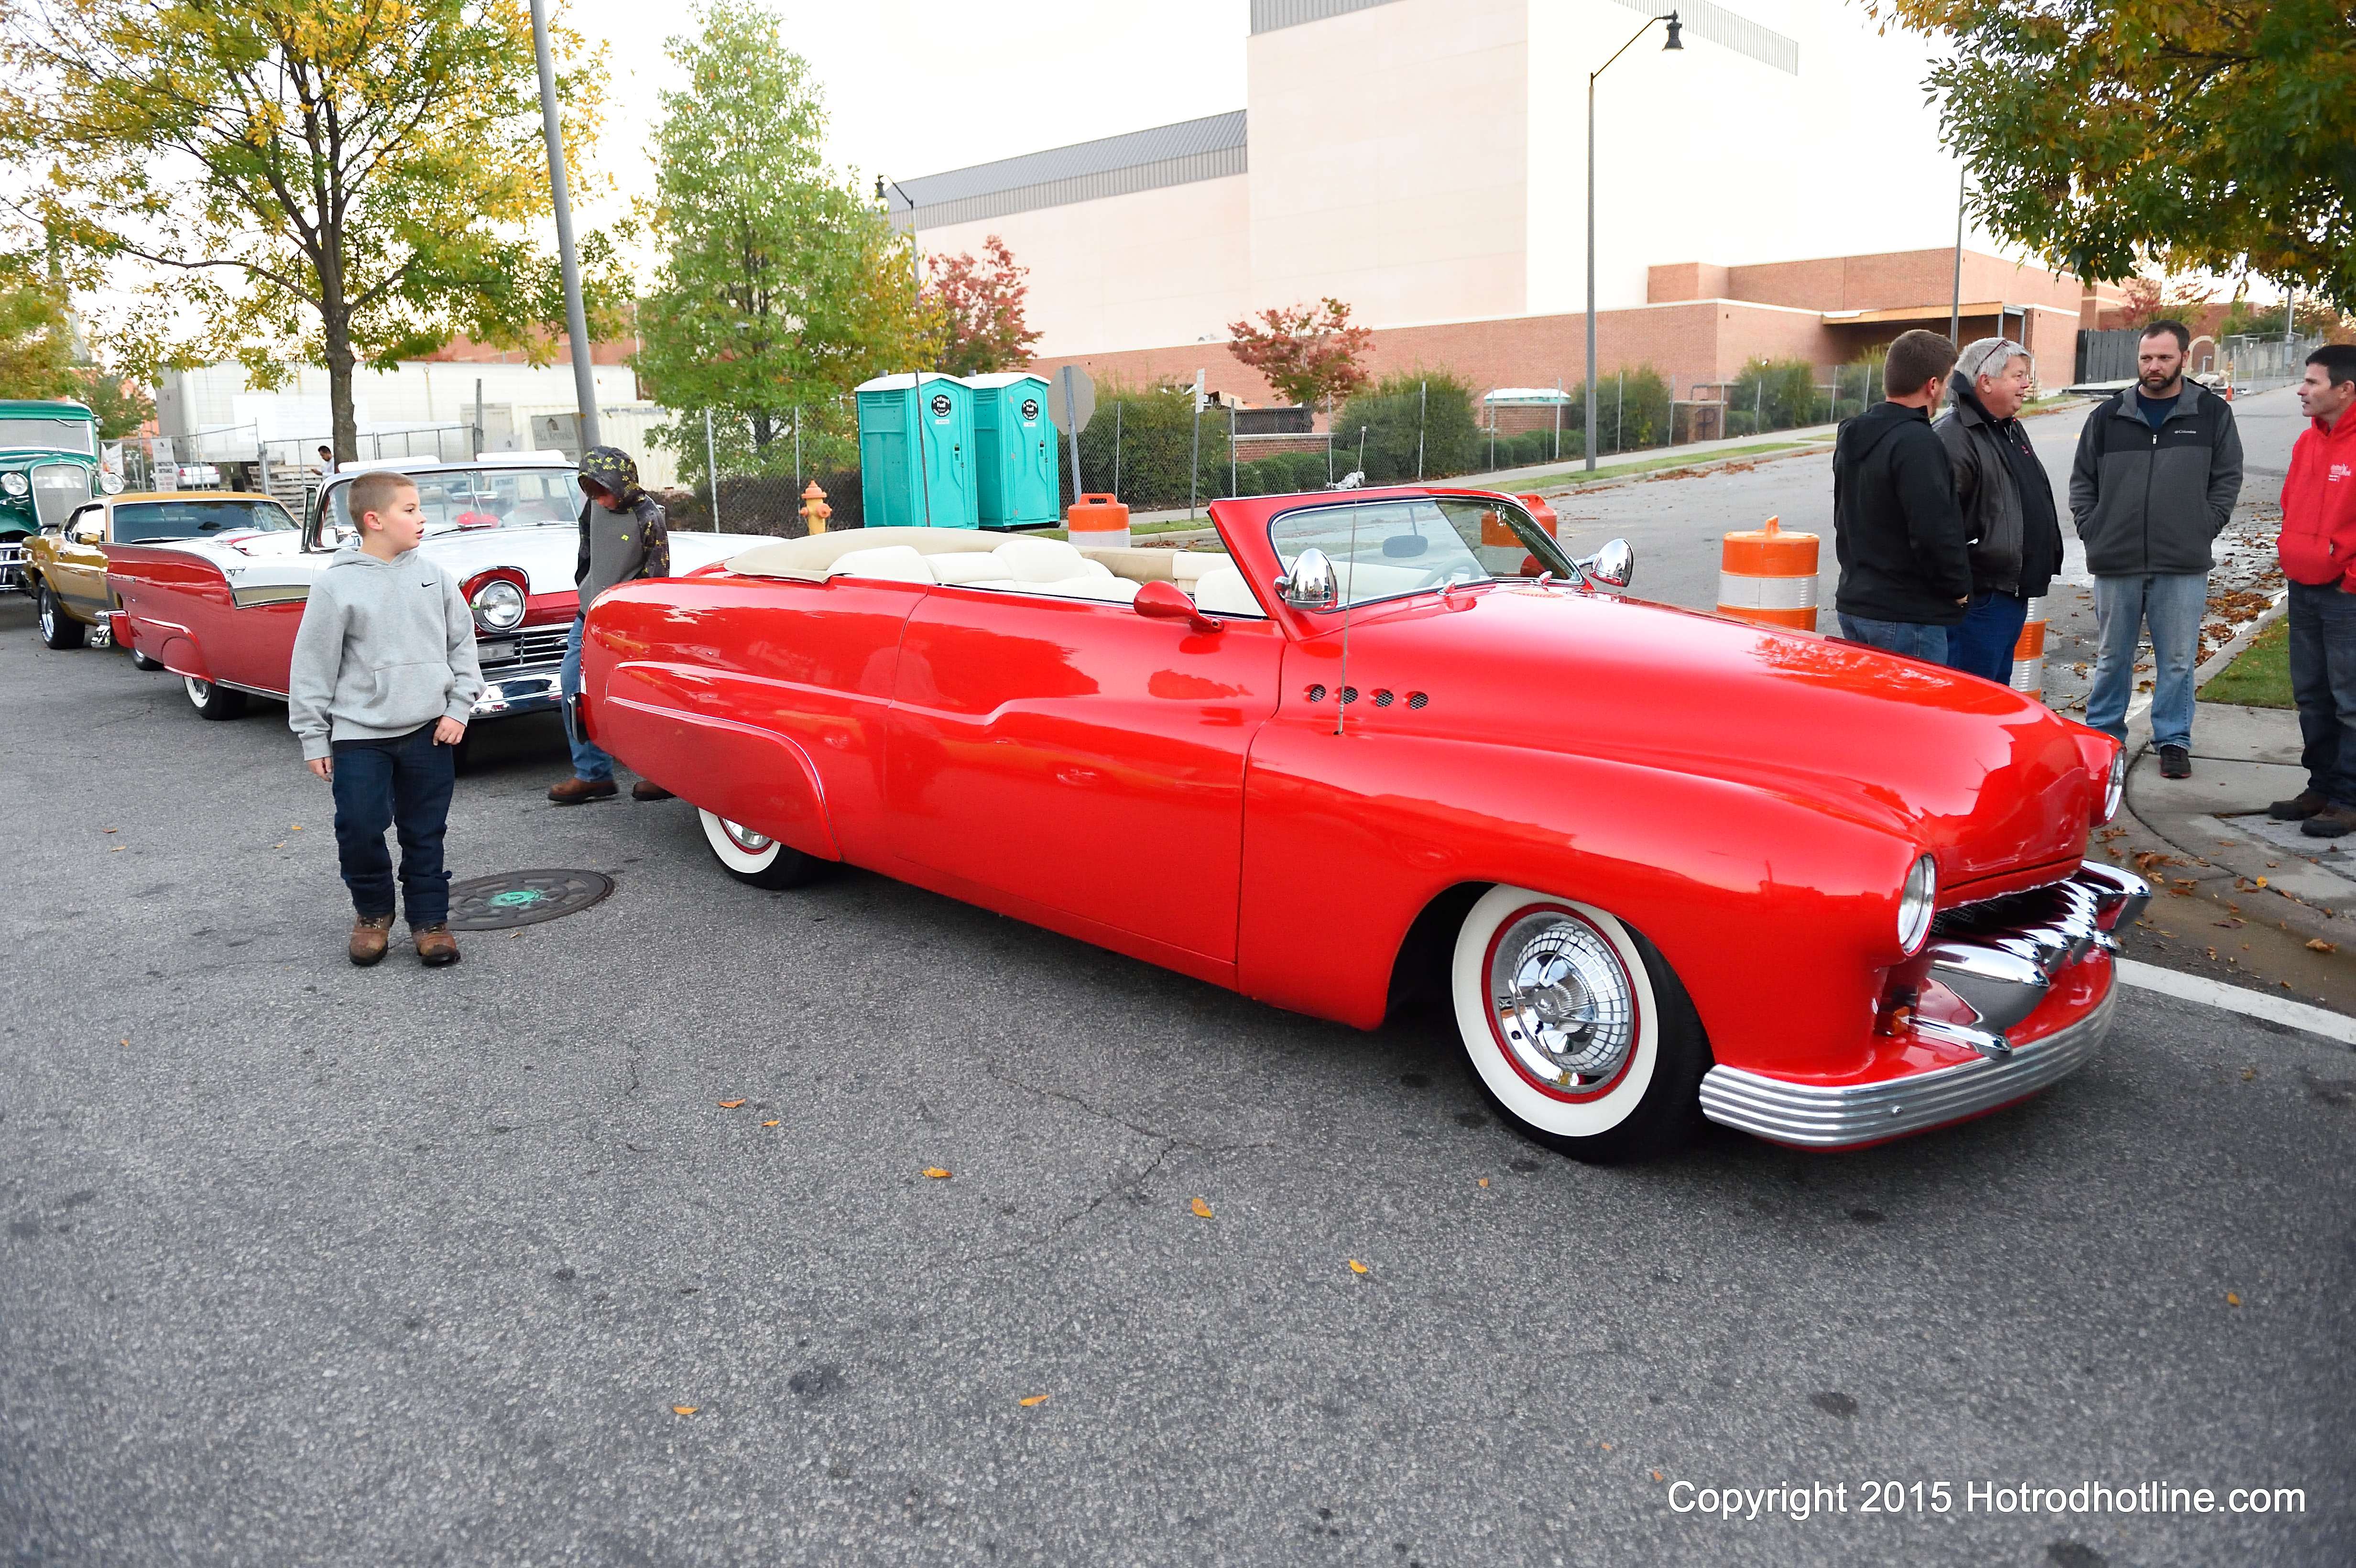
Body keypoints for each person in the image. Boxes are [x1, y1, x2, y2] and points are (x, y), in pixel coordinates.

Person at [287, 469, 484, 967]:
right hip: (360, 735)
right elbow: (312, 665)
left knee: (424, 831)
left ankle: (430, 922)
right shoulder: (336, 585)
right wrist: (313, 736)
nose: (422, 519)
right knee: (358, 825)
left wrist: (458, 707)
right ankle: (373, 914)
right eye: (410, 509)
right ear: (374, 520)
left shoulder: (434, 576)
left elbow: (462, 647)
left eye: (419, 508)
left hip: (429, 731)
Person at [2070, 319, 2245, 779]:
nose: (2154, 366)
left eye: (2164, 358)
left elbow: (2226, 479)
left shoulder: (2210, 413)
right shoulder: (2108, 416)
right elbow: (2082, 482)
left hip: (2182, 562)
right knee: (2112, 657)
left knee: (2177, 658)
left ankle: (2173, 740)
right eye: (2147, 358)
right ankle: (2105, 740)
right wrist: (2094, 529)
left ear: (2183, 359)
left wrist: (2203, 525)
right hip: (2117, 559)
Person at [1833, 328, 1972, 659]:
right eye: (1947, 380)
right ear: (1932, 385)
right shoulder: (1917, 442)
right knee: (1918, 710)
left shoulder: (1854, 433)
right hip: (1906, 614)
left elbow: (1845, 516)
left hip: (1857, 601)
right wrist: (1958, 589)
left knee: (1871, 711)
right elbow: (1933, 528)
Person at [1934, 338, 2064, 683]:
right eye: (2018, 376)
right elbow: (1938, 526)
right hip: (1980, 600)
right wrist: (1962, 589)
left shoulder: (2008, 429)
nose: (2027, 384)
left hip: (2009, 593)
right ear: (1986, 381)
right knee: (1972, 698)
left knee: (1996, 693)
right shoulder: (1954, 436)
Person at [551, 446, 675, 805]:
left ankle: (661, 775)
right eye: (590, 491)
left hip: (628, 624)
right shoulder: (593, 508)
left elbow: (657, 576)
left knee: (638, 696)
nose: (599, 500)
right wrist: (586, 591)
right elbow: (586, 553)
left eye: (603, 491)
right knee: (573, 685)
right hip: (587, 617)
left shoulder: (649, 516)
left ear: (622, 482)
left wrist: (640, 625)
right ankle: (592, 775)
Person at [2268, 344, 2356, 838]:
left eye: (2312, 382)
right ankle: (2320, 785)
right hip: (2302, 588)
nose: (2301, 390)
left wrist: (2349, 578)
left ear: (2345, 389)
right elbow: (2290, 505)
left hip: (2345, 594)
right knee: (2312, 695)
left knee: (2349, 699)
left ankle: (2347, 796)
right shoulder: (2307, 442)